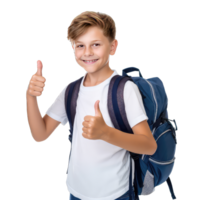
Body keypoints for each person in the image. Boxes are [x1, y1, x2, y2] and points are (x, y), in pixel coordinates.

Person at [25, 10, 157, 200]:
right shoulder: (70, 90)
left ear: (113, 47)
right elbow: (40, 135)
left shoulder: (125, 90)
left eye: (96, 44)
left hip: (116, 194)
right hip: (76, 193)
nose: (87, 52)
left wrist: (106, 133)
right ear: (73, 49)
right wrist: (31, 97)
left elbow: (149, 145)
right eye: (80, 45)